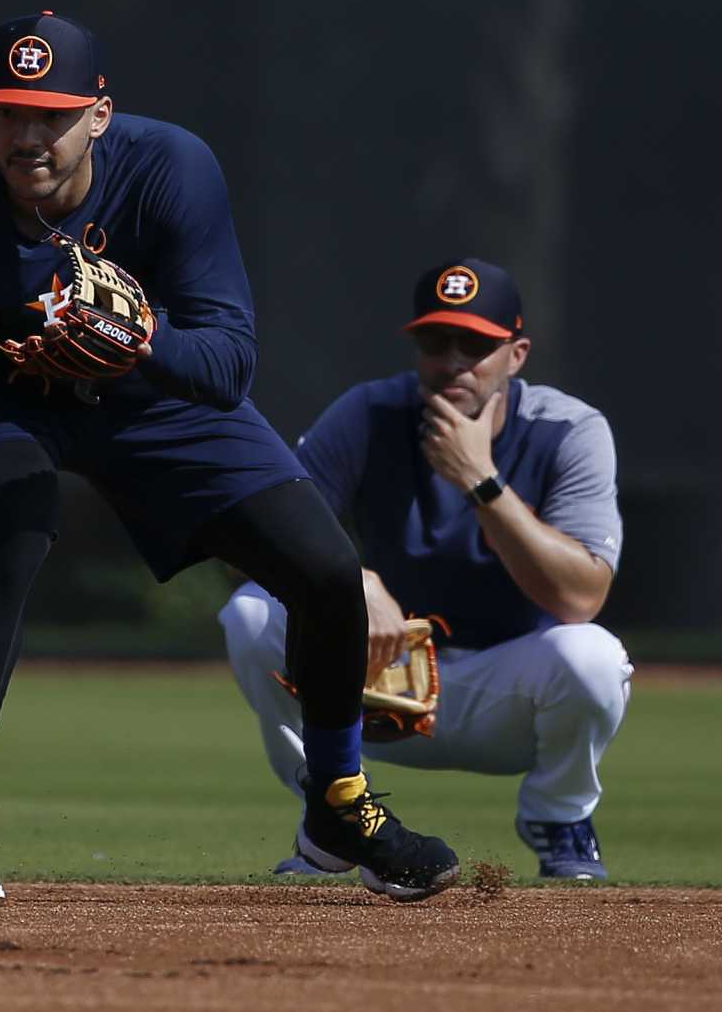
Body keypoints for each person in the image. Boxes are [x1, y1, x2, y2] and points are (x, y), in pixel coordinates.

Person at [0, 11, 459, 905]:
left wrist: (141, 339)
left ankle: (338, 803)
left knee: (328, 570)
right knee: (20, 510)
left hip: (149, 397)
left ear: (99, 115)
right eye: (7, 113)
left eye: (51, 114)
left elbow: (227, 366)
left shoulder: (173, 170)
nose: (28, 135)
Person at [218, 258, 631, 880]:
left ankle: (559, 814)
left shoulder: (568, 429)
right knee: (251, 614)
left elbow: (581, 597)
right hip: (377, 680)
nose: (454, 360)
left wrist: (480, 481)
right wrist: (349, 581)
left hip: (511, 687)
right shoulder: (369, 413)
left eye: (477, 344)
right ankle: (334, 813)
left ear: (516, 355)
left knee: (593, 657)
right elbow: (256, 534)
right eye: (437, 341)